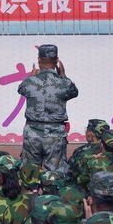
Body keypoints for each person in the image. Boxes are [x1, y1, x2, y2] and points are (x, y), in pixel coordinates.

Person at [18, 44, 79, 174]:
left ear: (39, 60)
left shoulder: (29, 82)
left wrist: (31, 77)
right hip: (55, 133)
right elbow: (74, 92)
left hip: (32, 132)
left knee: (29, 173)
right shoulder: (65, 83)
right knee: (55, 173)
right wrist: (63, 75)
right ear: (56, 60)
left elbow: (21, 89)